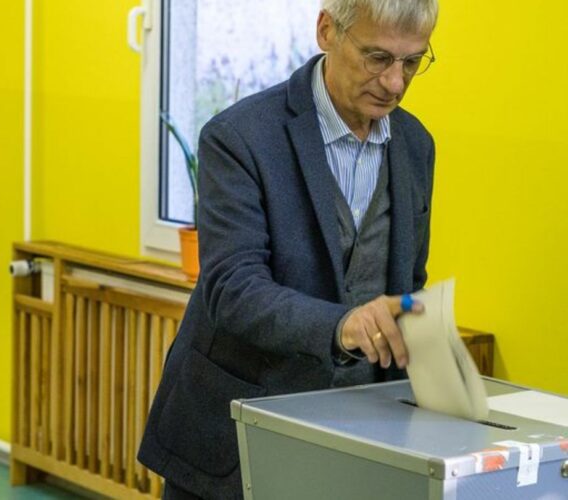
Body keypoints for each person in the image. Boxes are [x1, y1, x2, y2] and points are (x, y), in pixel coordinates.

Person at [138, 0, 439, 498]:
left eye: (412, 62)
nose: (395, 83)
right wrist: (342, 326)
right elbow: (232, 289)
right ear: (327, 31)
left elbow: (407, 277)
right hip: (238, 432)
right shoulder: (240, 137)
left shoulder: (415, 145)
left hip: (361, 436)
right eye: (378, 58)